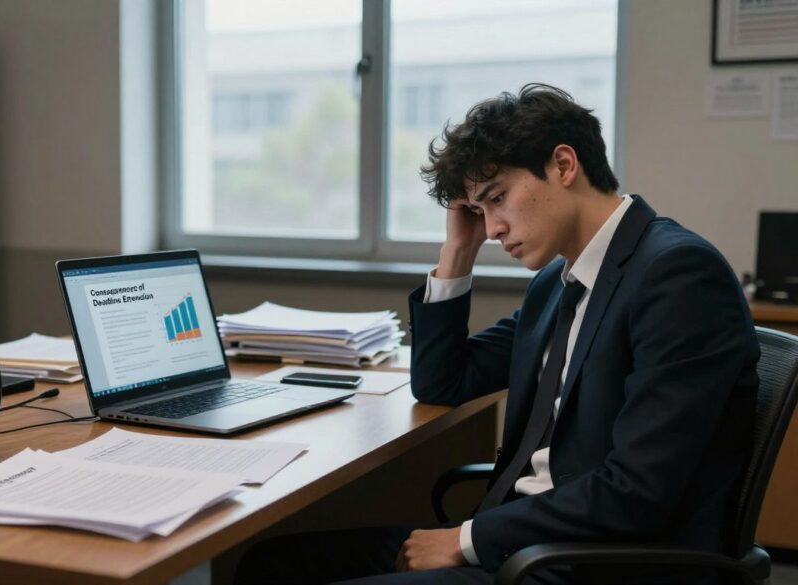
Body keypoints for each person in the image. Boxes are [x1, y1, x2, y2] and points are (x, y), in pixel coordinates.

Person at [234, 84, 760, 585]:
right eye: (478, 212)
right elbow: (445, 382)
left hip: (591, 563)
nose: (491, 229)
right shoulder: (560, 282)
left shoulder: (676, 275)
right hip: (524, 540)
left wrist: (465, 539)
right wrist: (456, 256)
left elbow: (639, 491)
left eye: (498, 198)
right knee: (271, 564)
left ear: (563, 165)